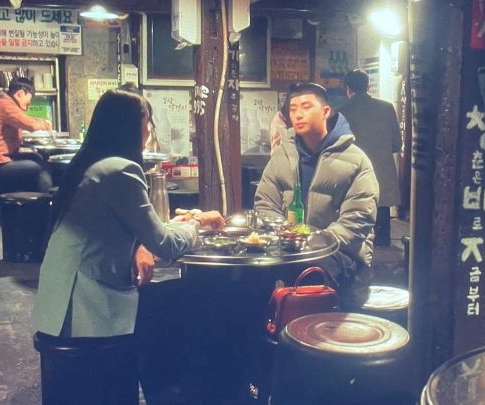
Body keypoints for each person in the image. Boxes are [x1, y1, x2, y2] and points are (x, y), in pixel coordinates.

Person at [31, 88, 225, 402]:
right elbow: (164, 244)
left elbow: (136, 229)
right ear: (128, 125)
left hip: (62, 301)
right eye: (146, 122)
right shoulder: (120, 170)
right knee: (171, 323)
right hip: (87, 311)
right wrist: (197, 222)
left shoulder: (91, 164)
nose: (149, 130)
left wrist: (176, 225)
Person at [254, 82, 379, 306]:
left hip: (342, 254)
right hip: (288, 249)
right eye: (293, 109)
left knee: (309, 272)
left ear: (325, 111)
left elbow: (357, 220)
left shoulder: (355, 160)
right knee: (251, 275)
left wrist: (312, 243)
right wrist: (286, 237)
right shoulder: (282, 154)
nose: (298, 114)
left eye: (306, 107)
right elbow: (265, 203)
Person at [339, 69, 402, 246]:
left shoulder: (342, 112)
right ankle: (382, 242)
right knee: (382, 212)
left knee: (355, 213)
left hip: (353, 173)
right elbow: (397, 143)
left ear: (348, 89)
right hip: (382, 171)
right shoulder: (387, 108)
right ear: (368, 87)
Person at [0, 77, 53, 193]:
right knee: (42, 167)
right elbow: (30, 124)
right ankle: (48, 202)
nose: (29, 104)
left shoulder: (3, 103)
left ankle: (30, 200)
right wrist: (45, 124)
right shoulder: (5, 105)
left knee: (36, 158)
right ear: (20, 93)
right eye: (29, 99)